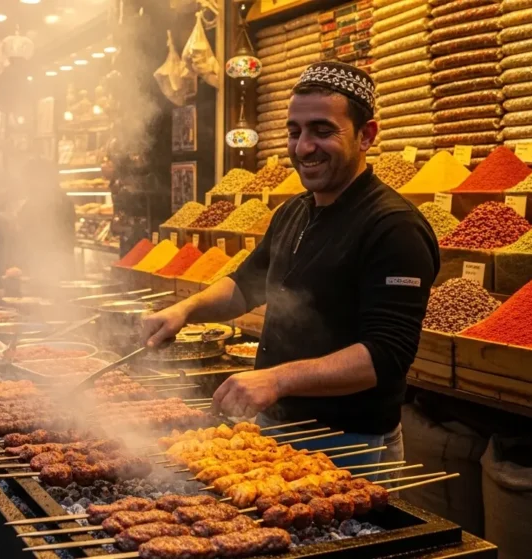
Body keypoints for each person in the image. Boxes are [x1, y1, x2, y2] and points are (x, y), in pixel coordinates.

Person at [142, 62, 439, 467]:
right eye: (294, 132)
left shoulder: (394, 227)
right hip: (276, 429)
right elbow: (246, 284)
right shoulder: (293, 212)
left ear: (366, 135)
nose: (302, 148)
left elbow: (386, 356)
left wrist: (277, 379)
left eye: (322, 131)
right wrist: (185, 310)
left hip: (350, 444)